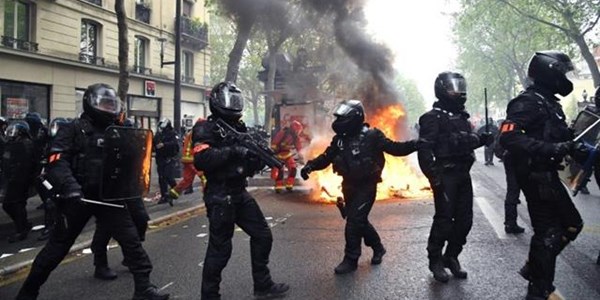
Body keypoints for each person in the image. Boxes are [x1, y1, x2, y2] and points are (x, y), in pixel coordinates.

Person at [15, 83, 169, 300]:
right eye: (104, 104)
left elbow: (128, 162)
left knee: (132, 242)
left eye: (111, 104)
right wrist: (70, 188)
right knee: (57, 248)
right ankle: (28, 292)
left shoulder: (117, 131)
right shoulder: (73, 129)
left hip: (109, 197)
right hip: (77, 199)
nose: (108, 108)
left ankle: (143, 288)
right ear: (91, 103)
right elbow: (56, 161)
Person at [499, 51, 584, 300]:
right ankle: (538, 288)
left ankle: (535, 267)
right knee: (548, 232)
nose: (565, 78)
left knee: (571, 225)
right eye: (562, 72)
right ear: (549, 71)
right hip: (535, 176)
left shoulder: (549, 104)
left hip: (547, 174)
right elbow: (508, 136)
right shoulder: (528, 102)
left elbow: (559, 137)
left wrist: (573, 144)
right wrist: (550, 149)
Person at [193, 81, 289, 300]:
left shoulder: (240, 128)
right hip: (219, 195)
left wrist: (254, 159)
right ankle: (209, 296)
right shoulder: (205, 128)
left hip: (238, 192)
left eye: (236, 100)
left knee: (263, 236)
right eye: (229, 100)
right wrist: (234, 151)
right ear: (216, 101)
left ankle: (263, 285)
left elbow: (246, 167)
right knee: (220, 250)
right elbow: (202, 159)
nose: (233, 105)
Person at [301, 99, 418, 274]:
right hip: (348, 185)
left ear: (354, 117)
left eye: (343, 117)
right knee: (358, 220)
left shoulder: (373, 136)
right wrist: (310, 166)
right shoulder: (340, 140)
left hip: (367, 186)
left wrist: (416, 144)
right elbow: (327, 157)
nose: (338, 121)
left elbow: (395, 149)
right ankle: (378, 248)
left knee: (354, 222)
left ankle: (351, 259)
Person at [418, 71, 493, 283]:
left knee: (465, 221)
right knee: (444, 220)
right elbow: (425, 150)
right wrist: (434, 177)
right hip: (445, 175)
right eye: (453, 87)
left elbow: (463, 142)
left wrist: (481, 139)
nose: (458, 92)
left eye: (461, 87)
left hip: (463, 174)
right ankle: (435, 261)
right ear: (441, 89)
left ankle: (451, 257)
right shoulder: (432, 118)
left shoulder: (461, 117)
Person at [90, 116, 151, 280]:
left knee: (140, 218)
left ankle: (130, 256)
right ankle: (100, 264)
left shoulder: (130, 139)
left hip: (130, 186)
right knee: (105, 227)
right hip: (110, 187)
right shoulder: (107, 134)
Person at [1, 120, 35, 243]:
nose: (11, 133)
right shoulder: (13, 143)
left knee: (13, 204)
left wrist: (18, 177)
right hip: (13, 179)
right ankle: (23, 225)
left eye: (14, 131)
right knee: (15, 204)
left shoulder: (25, 144)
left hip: (19, 181)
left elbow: (25, 165)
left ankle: (22, 230)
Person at [36, 117, 70, 241]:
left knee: (53, 203)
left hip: (60, 178)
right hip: (49, 176)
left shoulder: (67, 143)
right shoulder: (49, 142)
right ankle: (53, 226)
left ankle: (53, 228)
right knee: (49, 202)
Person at [169, 118, 206, 200]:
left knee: (187, 179)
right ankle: (207, 196)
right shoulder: (198, 133)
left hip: (186, 159)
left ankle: (173, 193)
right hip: (193, 159)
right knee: (204, 177)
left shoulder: (191, 133)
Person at [270, 120, 303, 192]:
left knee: (293, 168)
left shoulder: (295, 137)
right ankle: (278, 186)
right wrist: (275, 150)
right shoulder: (283, 133)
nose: (297, 132)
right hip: (278, 154)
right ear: (293, 129)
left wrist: (302, 155)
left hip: (287, 154)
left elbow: (299, 147)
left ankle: (289, 185)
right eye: (297, 131)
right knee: (280, 170)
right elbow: (274, 143)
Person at [154, 118, 179, 206]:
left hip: (169, 158)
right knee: (161, 178)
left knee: (168, 176)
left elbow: (175, 144)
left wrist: (164, 145)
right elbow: (154, 143)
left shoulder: (172, 133)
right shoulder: (158, 134)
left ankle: (176, 189)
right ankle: (164, 196)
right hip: (160, 158)